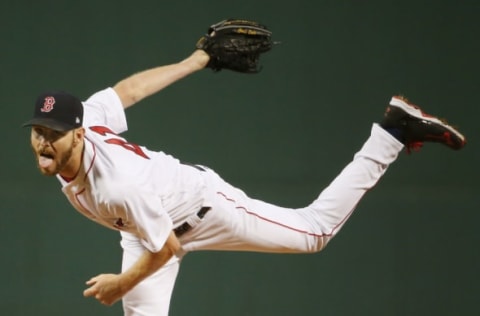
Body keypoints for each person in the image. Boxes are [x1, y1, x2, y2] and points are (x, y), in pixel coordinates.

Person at [23, 48, 466, 316]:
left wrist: (120, 285)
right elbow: (129, 91)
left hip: (200, 211)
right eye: (38, 131)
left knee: (314, 232)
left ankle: (393, 132)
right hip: (146, 228)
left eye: (54, 134)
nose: (43, 141)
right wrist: (194, 61)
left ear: (77, 134)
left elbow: (169, 249)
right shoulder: (88, 123)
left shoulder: (116, 184)